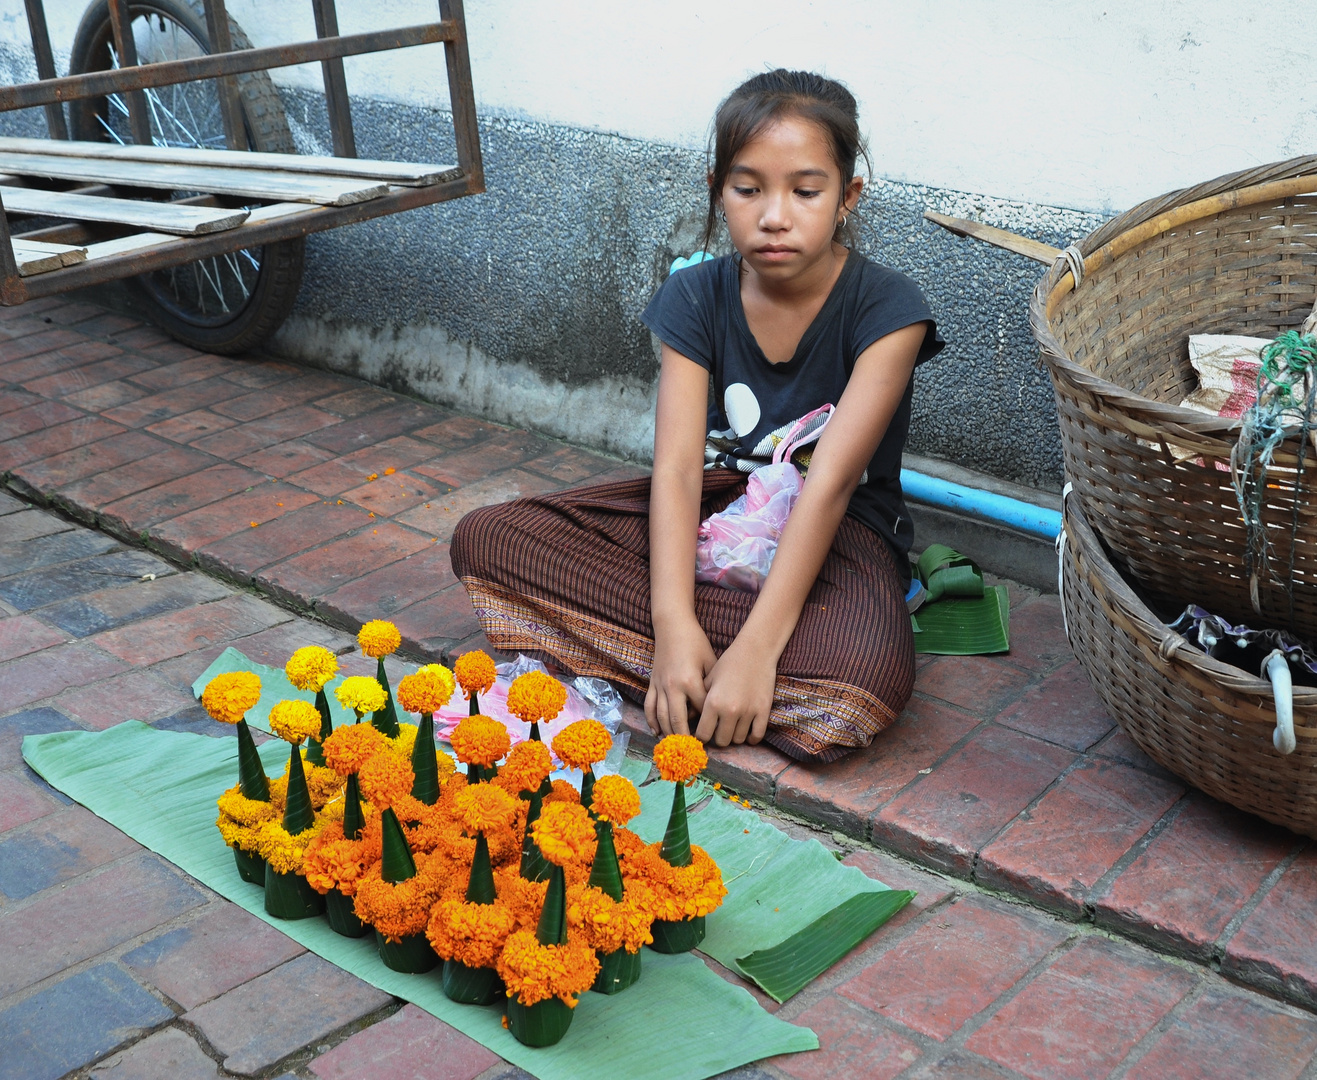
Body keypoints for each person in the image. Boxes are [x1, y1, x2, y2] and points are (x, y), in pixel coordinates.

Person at [451, 69, 943, 763]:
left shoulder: (888, 309)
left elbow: (831, 482)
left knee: (860, 685)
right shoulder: (693, 296)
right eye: (748, 190)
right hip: (716, 514)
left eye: (805, 191)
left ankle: (713, 662)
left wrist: (756, 649)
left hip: (836, 531)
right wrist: (672, 621)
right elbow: (679, 472)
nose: (774, 215)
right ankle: (696, 661)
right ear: (718, 187)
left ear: (845, 197)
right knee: (487, 538)